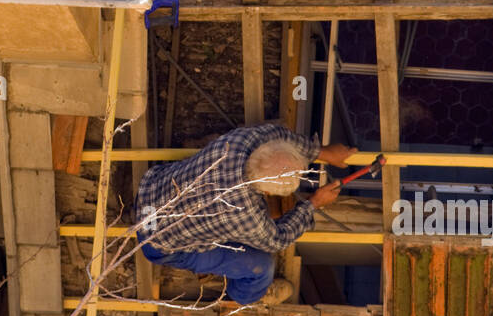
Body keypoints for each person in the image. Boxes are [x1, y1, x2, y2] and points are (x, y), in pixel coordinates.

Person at [135, 122, 355, 306]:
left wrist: (324, 153)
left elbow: (278, 134)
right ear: (268, 191)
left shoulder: (240, 142)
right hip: (156, 243)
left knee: (234, 232)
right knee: (262, 269)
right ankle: (240, 298)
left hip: (149, 189)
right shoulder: (245, 214)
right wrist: (314, 203)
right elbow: (277, 239)